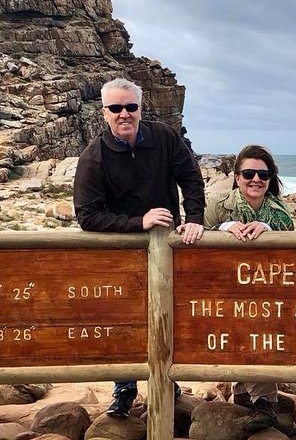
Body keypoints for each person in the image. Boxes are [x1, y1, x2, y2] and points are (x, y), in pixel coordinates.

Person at [73, 78, 205, 418]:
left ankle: (168, 380)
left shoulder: (164, 138)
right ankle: (125, 387)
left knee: (169, 315)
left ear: (140, 108)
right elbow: (87, 216)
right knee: (124, 319)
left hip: (168, 250)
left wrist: (194, 219)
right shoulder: (94, 158)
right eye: (116, 108)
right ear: (104, 113)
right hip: (119, 255)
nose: (124, 114)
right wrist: (138, 222)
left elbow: (191, 177)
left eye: (130, 107)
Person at [204, 144, 294, 432]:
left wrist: (269, 231)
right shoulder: (219, 205)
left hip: (268, 290)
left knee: (259, 332)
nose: (256, 179)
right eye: (248, 173)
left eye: (263, 174)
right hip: (225, 286)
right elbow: (196, 232)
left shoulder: (280, 213)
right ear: (236, 175)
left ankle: (265, 402)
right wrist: (224, 227)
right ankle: (245, 391)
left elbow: (294, 250)